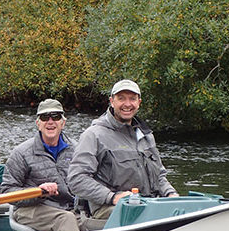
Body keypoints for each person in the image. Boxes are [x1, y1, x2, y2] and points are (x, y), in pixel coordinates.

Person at [67, 79, 179, 220]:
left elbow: (159, 176)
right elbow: (76, 179)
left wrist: (170, 194)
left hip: (147, 205)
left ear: (139, 102)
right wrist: (112, 197)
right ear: (112, 101)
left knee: (181, 211)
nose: (127, 104)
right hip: (108, 209)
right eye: (121, 99)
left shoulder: (146, 136)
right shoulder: (93, 135)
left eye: (132, 99)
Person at [0, 99, 80, 231]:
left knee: (105, 217)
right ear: (38, 124)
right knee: (66, 219)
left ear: (63, 123)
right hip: (31, 209)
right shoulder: (21, 152)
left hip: (70, 207)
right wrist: (38, 192)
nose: (50, 121)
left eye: (55, 117)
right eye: (44, 117)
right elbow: (7, 192)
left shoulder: (78, 149)